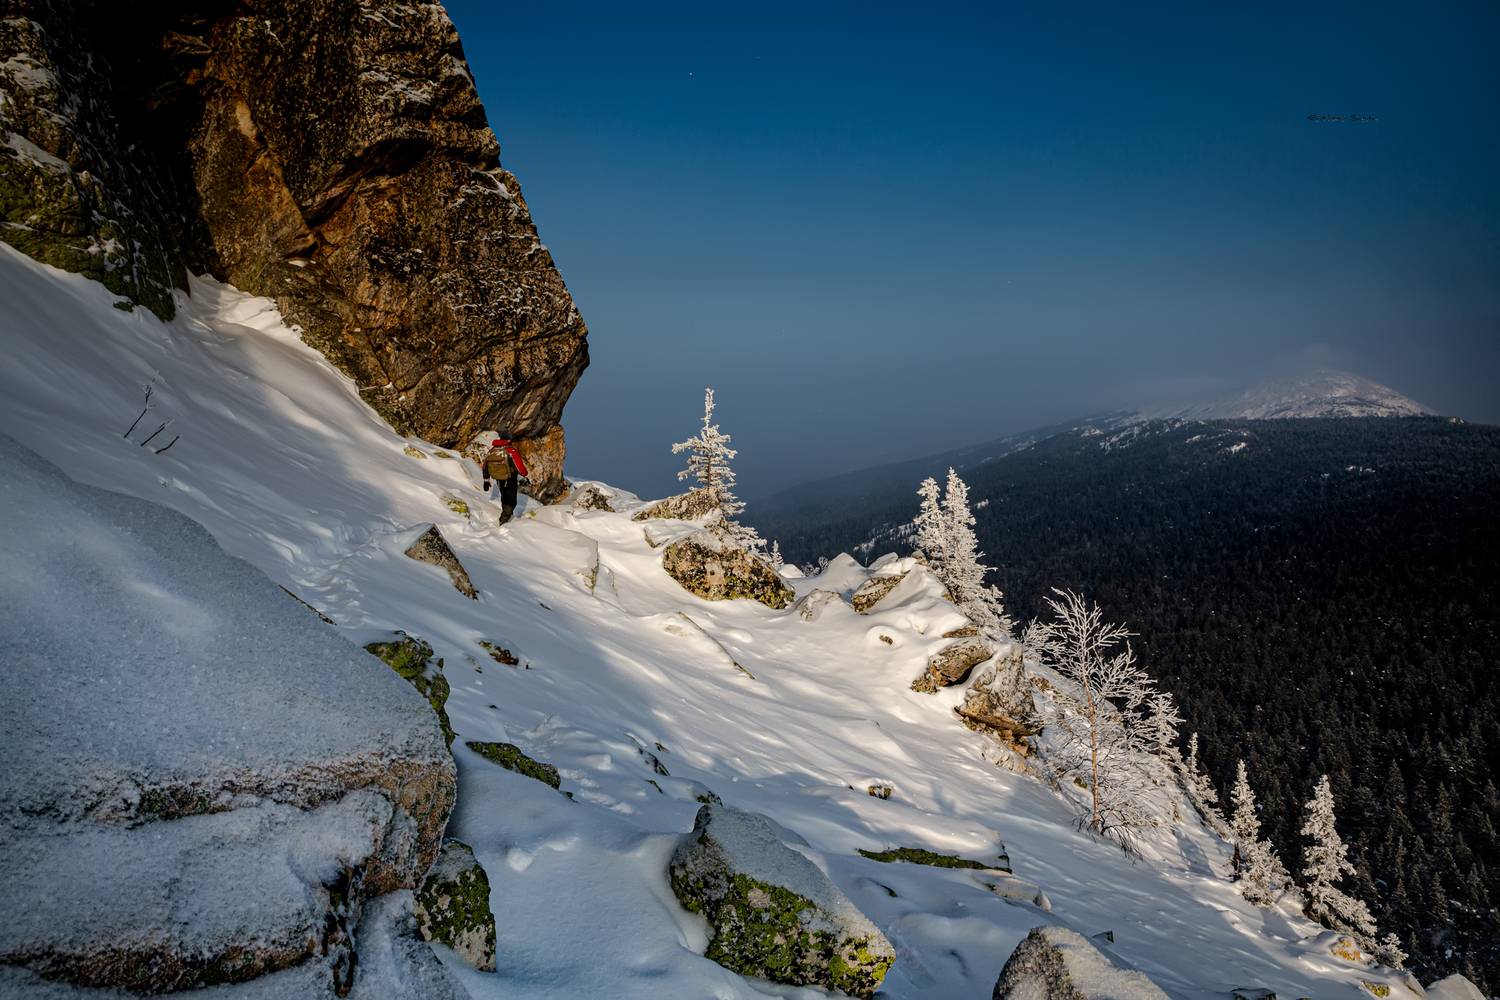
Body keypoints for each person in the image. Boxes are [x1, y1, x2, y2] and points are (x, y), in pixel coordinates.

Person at [481, 436, 529, 525]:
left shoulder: (492, 451)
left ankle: (506, 515)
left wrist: (486, 480)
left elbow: (485, 466)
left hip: (498, 478)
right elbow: (519, 466)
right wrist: (525, 474)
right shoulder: (511, 451)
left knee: (505, 497)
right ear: (508, 439)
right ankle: (504, 519)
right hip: (510, 478)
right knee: (511, 499)